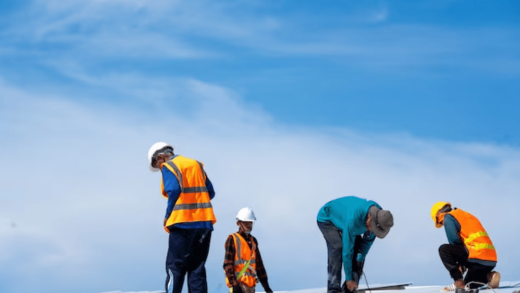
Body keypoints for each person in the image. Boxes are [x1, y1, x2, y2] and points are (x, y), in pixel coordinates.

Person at [147, 142, 217, 293]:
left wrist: (168, 215)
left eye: (157, 165)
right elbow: (210, 192)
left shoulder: (169, 166)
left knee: (176, 267)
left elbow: (173, 190)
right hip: (204, 225)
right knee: (197, 268)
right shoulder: (196, 165)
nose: (160, 168)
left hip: (182, 224)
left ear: (161, 157)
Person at [317, 196, 394, 293]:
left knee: (358, 253)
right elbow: (347, 251)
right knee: (338, 247)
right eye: (373, 227)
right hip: (328, 218)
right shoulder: (353, 220)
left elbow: (365, 246)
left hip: (348, 221)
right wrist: (349, 277)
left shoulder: (381, 217)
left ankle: (349, 288)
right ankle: (333, 288)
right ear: (370, 218)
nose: (373, 231)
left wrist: (357, 267)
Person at [431, 202, 500, 291]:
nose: (443, 224)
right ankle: (490, 276)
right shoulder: (466, 215)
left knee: (444, 250)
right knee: (468, 285)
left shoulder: (448, 216)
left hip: (475, 255)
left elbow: (454, 240)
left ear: (438, 214)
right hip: (490, 260)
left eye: (441, 223)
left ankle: (458, 282)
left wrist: (460, 264)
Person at [223, 207, 273, 293]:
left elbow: (259, 266)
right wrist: (234, 285)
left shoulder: (253, 241)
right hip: (238, 285)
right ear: (238, 223)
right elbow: (228, 264)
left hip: (251, 287)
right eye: (245, 223)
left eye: (250, 223)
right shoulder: (232, 239)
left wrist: (267, 287)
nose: (248, 226)